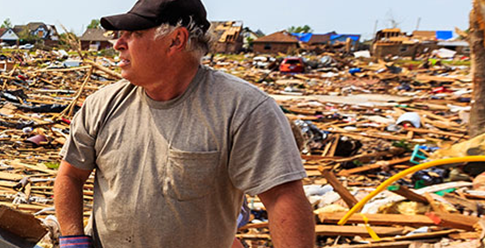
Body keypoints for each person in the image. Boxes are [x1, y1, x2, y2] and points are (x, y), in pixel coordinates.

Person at [52, 0, 316, 247]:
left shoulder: (242, 109)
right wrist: (73, 239)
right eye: (120, 35)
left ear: (176, 40)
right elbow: (70, 175)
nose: (119, 43)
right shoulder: (103, 104)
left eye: (134, 34)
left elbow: (283, 199)